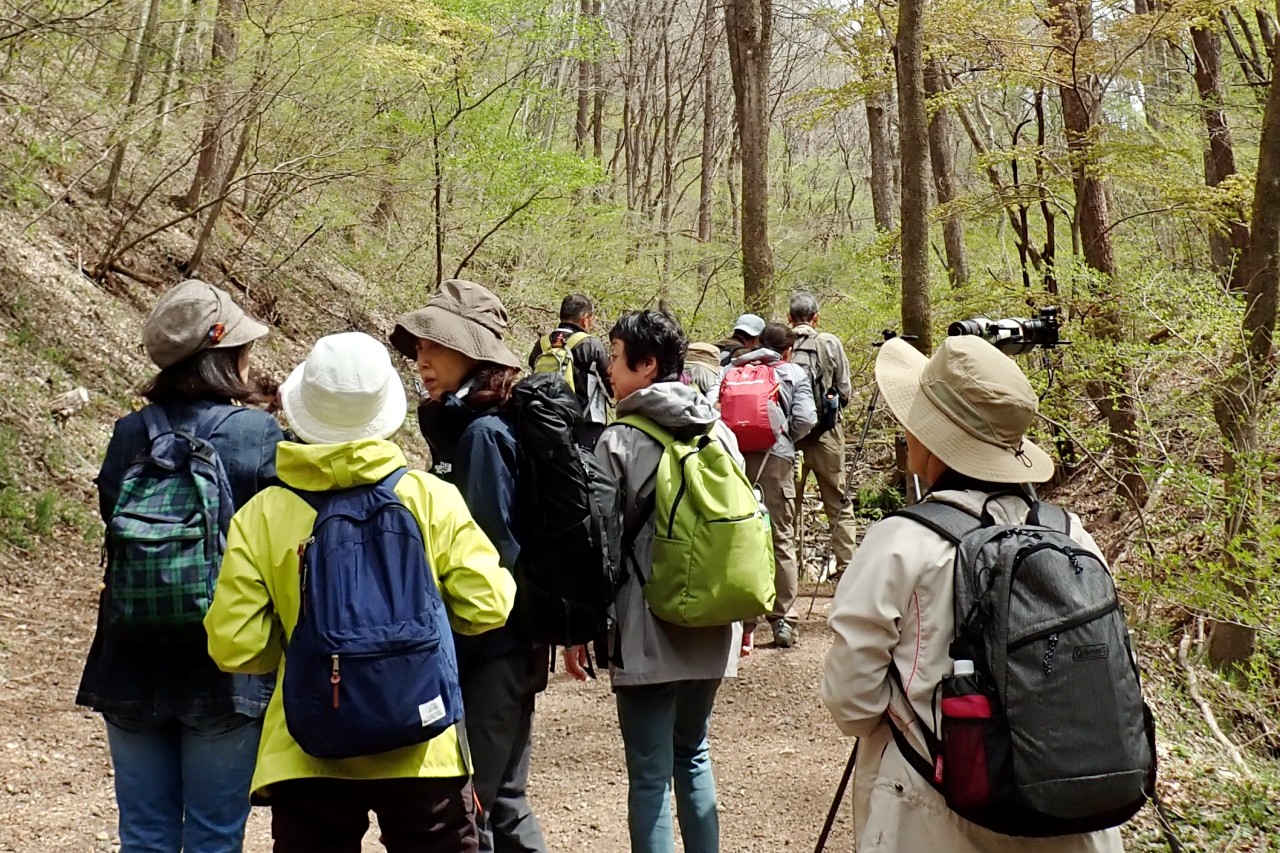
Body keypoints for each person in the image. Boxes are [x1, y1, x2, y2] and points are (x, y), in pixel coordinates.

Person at [204, 331, 516, 853]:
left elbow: (234, 645)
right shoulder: (429, 498)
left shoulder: (264, 514)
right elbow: (489, 605)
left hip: (307, 744)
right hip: (425, 739)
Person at [820, 336, 1123, 852]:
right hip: (1071, 812)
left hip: (934, 816)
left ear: (936, 438)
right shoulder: (1071, 533)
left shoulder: (901, 540)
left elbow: (852, 703)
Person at [76, 279, 283, 853]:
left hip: (129, 658)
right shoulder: (257, 434)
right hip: (225, 667)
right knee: (216, 836)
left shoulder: (128, 434)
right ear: (224, 357)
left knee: (143, 834)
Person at [563, 310, 740, 853]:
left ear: (647, 365)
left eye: (616, 358)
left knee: (648, 775)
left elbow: (598, 546)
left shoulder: (618, 441)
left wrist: (578, 627)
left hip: (646, 627)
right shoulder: (719, 430)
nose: (609, 370)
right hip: (712, 618)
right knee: (693, 753)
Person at [393, 280, 550, 853]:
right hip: (511, 644)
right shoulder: (473, 425)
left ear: (474, 352)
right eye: (418, 347)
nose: (422, 359)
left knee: (477, 808)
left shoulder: (483, 436)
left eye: (436, 345)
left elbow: (489, 553)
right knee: (504, 800)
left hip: (490, 645)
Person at [710, 322, 816, 649]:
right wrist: (784, 438)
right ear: (787, 350)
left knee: (739, 532)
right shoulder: (793, 373)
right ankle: (782, 619)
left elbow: (711, 409)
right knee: (780, 535)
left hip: (733, 458)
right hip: (777, 458)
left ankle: (743, 618)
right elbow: (806, 419)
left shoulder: (729, 370)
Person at [787, 292, 856, 582]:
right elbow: (845, 390)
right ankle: (847, 570)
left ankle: (786, 572)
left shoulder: (781, 344)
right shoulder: (830, 343)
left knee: (787, 505)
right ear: (816, 317)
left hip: (789, 438)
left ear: (789, 318)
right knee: (838, 500)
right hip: (827, 435)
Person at [527, 293, 613, 447]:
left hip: (546, 423)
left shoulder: (542, 344)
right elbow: (610, 386)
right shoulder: (591, 344)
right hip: (586, 428)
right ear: (585, 319)